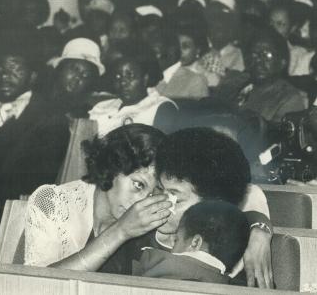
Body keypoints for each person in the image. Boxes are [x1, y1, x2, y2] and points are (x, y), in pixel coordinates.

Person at [130, 127, 273, 289]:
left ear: (210, 208)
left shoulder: (239, 257)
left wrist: (259, 228)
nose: (158, 202)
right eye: (160, 189)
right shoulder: (137, 234)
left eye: (175, 198)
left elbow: (252, 194)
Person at [24, 124, 171, 274]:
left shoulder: (153, 228)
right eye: (138, 185)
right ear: (113, 166)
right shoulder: (53, 202)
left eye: (153, 194)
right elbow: (37, 285)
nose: (142, 202)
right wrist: (120, 231)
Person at [0, 41, 70, 241]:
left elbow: (36, 180)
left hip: (4, 216)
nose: (5, 75)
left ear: (33, 76)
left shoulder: (50, 118)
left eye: (15, 69)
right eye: (0, 68)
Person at [133, 201, 250, 284]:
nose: (171, 248)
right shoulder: (225, 284)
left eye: (176, 240)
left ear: (195, 243)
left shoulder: (154, 260)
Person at [88, 47, 178, 136]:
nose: (123, 82)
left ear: (145, 79)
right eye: (118, 77)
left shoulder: (161, 107)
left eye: (130, 75)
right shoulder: (102, 106)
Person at [239, 26, 309, 123]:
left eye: (267, 55)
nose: (259, 60)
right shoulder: (236, 82)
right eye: (254, 53)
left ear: (282, 62)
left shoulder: (288, 99)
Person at [155, 25, 209, 100]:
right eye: (177, 46)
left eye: (185, 46)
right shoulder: (166, 72)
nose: (180, 51)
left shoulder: (199, 79)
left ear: (197, 50)